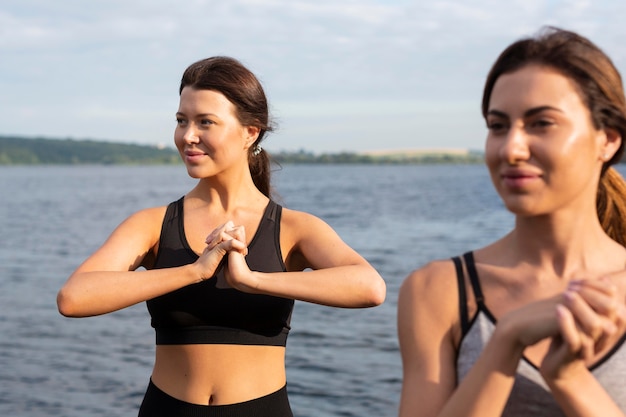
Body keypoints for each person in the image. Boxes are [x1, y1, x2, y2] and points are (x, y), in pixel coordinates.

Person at [57, 56, 386, 417]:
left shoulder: (293, 228)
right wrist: (194, 271)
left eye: (205, 122)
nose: (188, 136)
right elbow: (73, 299)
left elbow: (369, 288)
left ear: (250, 132)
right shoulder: (152, 224)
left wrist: (253, 280)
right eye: (182, 121)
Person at [397, 27, 626, 417]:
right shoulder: (438, 291)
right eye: (498, 126)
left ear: (607, 139)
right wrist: (504, 343)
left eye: (541, 123)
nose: (511, 149)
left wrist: (569, 379)